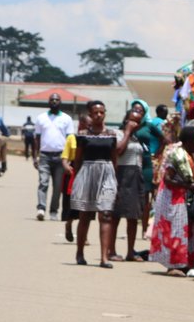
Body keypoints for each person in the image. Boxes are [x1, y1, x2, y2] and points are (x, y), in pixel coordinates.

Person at [71, 101, 127, 267]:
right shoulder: (82, 134)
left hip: (107, 173)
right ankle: (80, 253)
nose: (98, 115)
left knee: (106, 214)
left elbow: (114, 159)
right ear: (90, 114)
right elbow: (78, 159)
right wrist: (76, 181)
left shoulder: (111, 134)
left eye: (101, 112)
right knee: (85, 215)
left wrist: (115, 181)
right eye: (95, 113)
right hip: (87, 173)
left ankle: (104, 257)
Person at [149, 124, 194, 277]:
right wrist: (187, 185)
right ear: (187, 141)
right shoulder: (176, 154)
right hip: (173, 197)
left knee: (190, 231)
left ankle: (186, 264)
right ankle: (173, 266)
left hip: (185, 196)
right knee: (176, 231)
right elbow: (167, 179)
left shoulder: (191, 154)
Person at [111, 106, 148, 262]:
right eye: (132, 120)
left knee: (133, 217)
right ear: (126, 121)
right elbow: (118, 151)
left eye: (138, 122)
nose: (135, 124)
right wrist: (127, 131)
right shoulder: (118, 134)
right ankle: (111, 250)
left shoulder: (137, 139)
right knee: (115, 215)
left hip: (135, 177)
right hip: (122, 176)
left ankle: (130, 252)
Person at [33, 93, 75, 221]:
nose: (54, 101)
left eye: (57, 99)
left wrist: (69, 160)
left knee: (58, 187)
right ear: (48, 102)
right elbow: (37, 139)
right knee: (43, 182)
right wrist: (35, 156)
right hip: (45, 156)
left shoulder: (67, 119)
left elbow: (70, 139)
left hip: (61, 157)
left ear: (60, 102)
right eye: (52, 100)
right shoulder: (41, 118)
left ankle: (53, 211)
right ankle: (41, 208)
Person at [61, 112, 88, 244]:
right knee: (72, 204)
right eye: (87, 124)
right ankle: (69, 224)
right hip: (73, 171)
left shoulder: (93, 137)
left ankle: (84, 236)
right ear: (81, 124)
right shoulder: (72, 138)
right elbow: (65, 156)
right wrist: (66, 166)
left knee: (86, 205)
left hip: (88, 170)